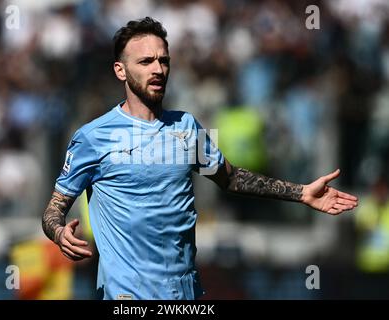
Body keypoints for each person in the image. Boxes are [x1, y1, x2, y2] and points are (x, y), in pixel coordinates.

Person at [42, 17, 358, 300]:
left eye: (163, 61)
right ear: (120, 70)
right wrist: (59, 233)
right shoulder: (94, 136)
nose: (157, 69)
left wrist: (301, 192)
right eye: (146, 61)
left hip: (184, 294)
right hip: (126, 295)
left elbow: (230, 177)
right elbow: (53, 210)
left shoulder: (186, 127)